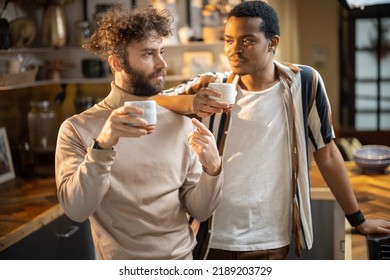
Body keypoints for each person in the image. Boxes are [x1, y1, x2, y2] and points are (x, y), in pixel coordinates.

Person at [156, 1, 390, 259]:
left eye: (247, 41)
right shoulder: (212, 84)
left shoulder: (306, 82)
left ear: (272, 43)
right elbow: (153, 101)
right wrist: (191, 103)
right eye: (229, 40)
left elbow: (328, 153)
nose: (235, 50)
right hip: (210, 234)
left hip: (268, 239)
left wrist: (357, 219)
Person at [54, 5, 223, 260]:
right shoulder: (76, 129)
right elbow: (77, 210)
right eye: (148, 54)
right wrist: (103, 146)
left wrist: (213, 170)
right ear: (116, 61)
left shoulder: (181, 123)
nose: (162, 63)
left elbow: (200, 210)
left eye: (161, 52)